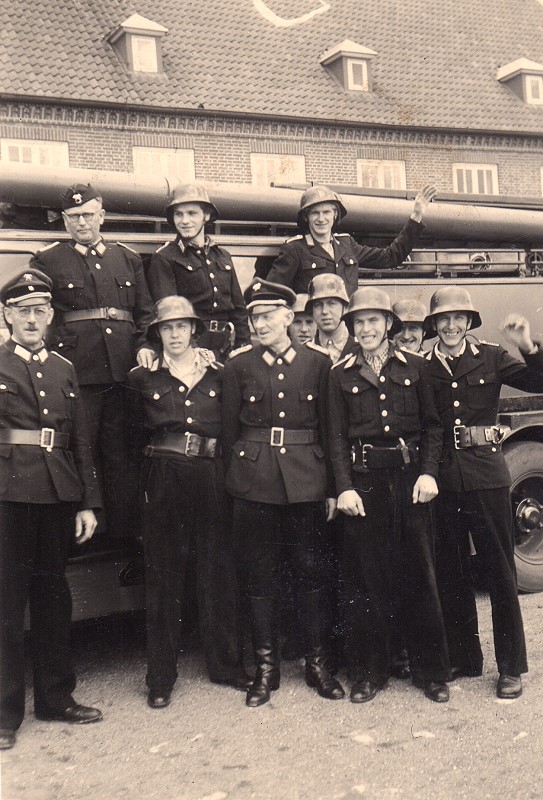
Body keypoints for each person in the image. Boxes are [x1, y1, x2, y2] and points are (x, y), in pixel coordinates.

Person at [221, 279, 344, 707]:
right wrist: (236, 482)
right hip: (254, 482)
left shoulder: (319, 364)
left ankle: (317, 665)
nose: (260, 324)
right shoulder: (238, 366)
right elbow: (228, 434)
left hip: (307, 481)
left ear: (289, 317)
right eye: (254, 317)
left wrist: (332, 488)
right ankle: (266, 669)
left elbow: (331, 430)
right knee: (260, 576)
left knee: (311, 573)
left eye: (268, 316)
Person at [327, 287, 450, 704]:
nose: (366, 329)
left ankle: (430, 672)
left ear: (388, 325)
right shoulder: (340, 374)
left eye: (373, 321)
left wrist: (428, 473)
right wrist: (344, 486)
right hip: (364, 483)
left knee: (420, 574)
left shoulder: (416, 366)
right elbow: (335, 437)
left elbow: (433, 426)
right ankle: (368, 673)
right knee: (366, 578)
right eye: (359, 322)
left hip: (410, 479)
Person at [126, 296, 249, 708]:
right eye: (167, 327)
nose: (175, 334)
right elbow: (129, 439)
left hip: (211, 475)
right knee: (164, 576)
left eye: (182, 326)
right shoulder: (142, 377)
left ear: (194, 329)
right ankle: (160, 677)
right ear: (157, 333)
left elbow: (231, 431)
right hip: (163, 476)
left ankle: (226, 665)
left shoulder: (219, 373)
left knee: (218, 570)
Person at [423, 286, 543, 699]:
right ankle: (465, 657)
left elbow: (537, 379)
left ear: (469, 322)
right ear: (434, 324)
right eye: (443, 318)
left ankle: (510, 667)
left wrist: (527, 345)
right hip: (445, 479)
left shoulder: (491, 356)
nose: (451, 325)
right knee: (452, 571)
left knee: (500, 571)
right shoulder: (425, 366)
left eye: (458, 318)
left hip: (488, 475)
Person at [0, 268, 102, 751]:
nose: (32, 319)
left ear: (50, 316)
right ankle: (4, 714)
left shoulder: (63, 368)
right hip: (7, 494)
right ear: (6, 316)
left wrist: (88, 502)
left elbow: (80, 439)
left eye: (40, 311)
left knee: (53, 598)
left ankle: (56, 698)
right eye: (23, 311)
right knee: (6, 603)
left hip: (57, 492)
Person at [30, 183, 155, 544]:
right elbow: (42, 317)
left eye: (87, 215)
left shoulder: (127, 258)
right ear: (64, 220)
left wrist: (145, 345)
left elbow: (145, 314)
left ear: (102, 216)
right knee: (80, 451)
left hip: (123, 371)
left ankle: (124, 538)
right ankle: (83, 536)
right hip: (77, 372)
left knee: (122, 454)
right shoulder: (48, 260)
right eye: (73, 217)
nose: (81, 222)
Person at [266, 184, 436, 296]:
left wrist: (416, 216)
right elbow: (271, 293)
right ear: (306, 217)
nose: (321, 219)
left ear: (335, 215)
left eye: (326, 212)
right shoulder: (295, 249)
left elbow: (390, 257)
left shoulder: (347, 244)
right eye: (315, 213)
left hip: (347, 332)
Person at [146, 183, 250, 355]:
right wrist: (190, 353)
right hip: (191, 347)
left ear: (206, 216)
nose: (185, 221)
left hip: (226, 347)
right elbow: (168, 314)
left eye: (192, 213)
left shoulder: (223, 256)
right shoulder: (165, 257)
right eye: (179, 214)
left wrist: (243, 346)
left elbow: (239, 309)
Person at [306, 273, 355, 363]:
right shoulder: (303, 353)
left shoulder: (361, 349)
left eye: (331, 303)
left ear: (345, 308)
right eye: (318, 305)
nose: (324, 311)